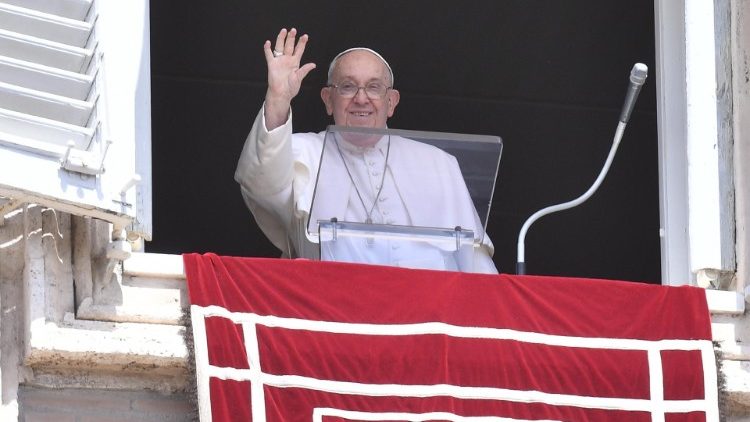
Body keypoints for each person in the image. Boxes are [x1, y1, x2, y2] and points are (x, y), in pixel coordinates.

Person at [235, 28, 498, 274]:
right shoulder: (302, 152)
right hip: (337, 308)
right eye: (348, 86)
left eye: (374, 87)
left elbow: (473, 258)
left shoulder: (438, 163)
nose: (361, 98)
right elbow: (262, 184)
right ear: (328, 100)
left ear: (391, 102)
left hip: (432, 313)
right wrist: (278, 98)